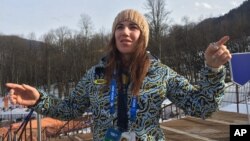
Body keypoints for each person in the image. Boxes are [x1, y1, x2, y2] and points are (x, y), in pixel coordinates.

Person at [6, 9, 231, 141]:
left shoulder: (160, 73)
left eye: (133, 27)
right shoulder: (96, 74)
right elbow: (70, 109)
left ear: (143, 35)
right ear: (114, 34)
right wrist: (38, 99)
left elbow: (202, 107)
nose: (125, 31)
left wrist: (212, 70)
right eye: (119, 27)